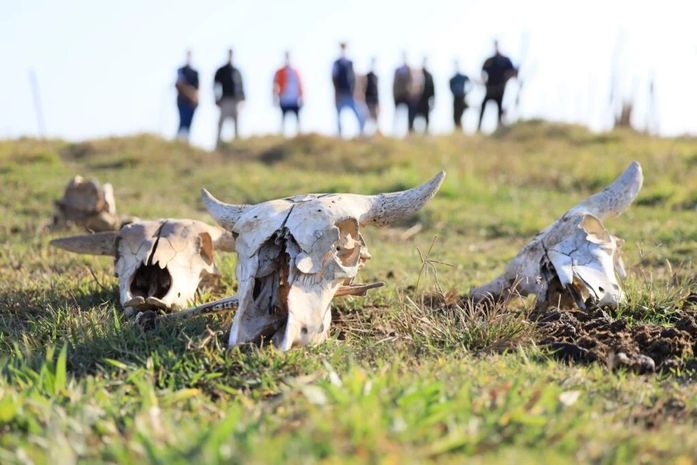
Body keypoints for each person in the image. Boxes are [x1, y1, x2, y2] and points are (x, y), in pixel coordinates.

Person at [478, 40, 517, 131]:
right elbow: (482, 73)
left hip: (500, 89)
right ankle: (479, 128)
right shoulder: (488, 61)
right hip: (490, 89)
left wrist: (506, 80)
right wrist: (483, 82)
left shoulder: (505, 60)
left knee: (499, 109)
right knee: (483, 106)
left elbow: (513, 72)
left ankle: (499, 128)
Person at [332, 42, 365, 136]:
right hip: (341, 94)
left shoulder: (351, 63)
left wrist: (358, 91)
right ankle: (339, 136)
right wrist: (336, 93)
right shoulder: (336, 63)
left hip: (351, 94)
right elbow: (333, 78)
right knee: (338, 118)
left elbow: (355, 78)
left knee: (360, 116)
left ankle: (361, 135)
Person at [214, 48, 245, 145]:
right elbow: (215, 85)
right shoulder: (221, 70)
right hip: (225, 100)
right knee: (221, 122)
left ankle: (236, 143)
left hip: (235, 100)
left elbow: (241, 86)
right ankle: (218, 143)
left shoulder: (236, 71)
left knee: (237, 123)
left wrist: (242, 98)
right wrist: (217, 98)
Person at [273, 51, 304, 135]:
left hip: (294, 99)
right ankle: (282, 135)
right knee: (283, 119)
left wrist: (302, 97)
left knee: (297, 119)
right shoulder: (279, 71)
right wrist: (275, 97)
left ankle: (299, 135)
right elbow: (275, 84)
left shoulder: (296, 71)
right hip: (284, 99)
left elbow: (300, 85)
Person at [175, 50, 199, 141]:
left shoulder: (195, 72)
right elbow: (179, 85)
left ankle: (186, 143)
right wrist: (190, 93)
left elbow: (197, 88)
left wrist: (195, 98)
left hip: (192, 103)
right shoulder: (181, 70)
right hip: (182, 102)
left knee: (188, 125)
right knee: (182, 123)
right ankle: (178, 143)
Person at [410, 58, 435, 133]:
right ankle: (412, 131)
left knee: (426, 117)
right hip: (417, 100)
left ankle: (426, 131)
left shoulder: (429, 75)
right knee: (413, 117)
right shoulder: (417, 74)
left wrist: (433, 100)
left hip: (425, 100)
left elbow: (432, 89)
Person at [392, 53, 412, 133]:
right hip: (398, 95)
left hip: (406, 95)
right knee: (397, 114)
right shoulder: (397, 70)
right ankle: (395, 130)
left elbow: (410, 82)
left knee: (408, 114)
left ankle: (408, 130)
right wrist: (394, 94)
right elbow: (394, 84)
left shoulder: (408, 69)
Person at [449, 61, 471, 130]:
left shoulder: (463, 77)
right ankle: (457, 128)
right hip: (456, 98)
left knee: (461, 113)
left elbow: (470, 84)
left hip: (462, 98)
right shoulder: (452, 79)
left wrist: (466, 92)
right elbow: (450, 88)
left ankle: (460, 127)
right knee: (456, 114)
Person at [364, 58, 380, 135]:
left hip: (375, 100)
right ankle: (367, 133)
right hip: (368, 100)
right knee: (368, 118)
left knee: (376, 118)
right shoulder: (367, 75)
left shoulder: (376, 76)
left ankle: (375, 133)